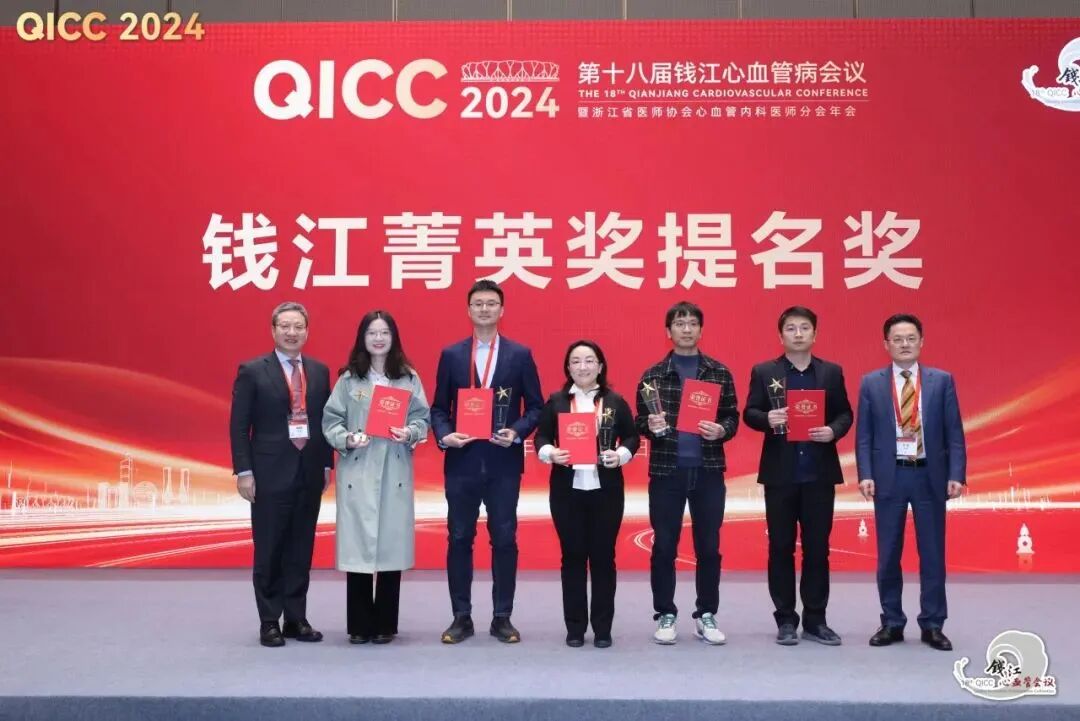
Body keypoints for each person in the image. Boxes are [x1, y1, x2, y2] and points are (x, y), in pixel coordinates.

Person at [430, 280, 544, 644]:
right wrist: (445, 435)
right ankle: (461, 617)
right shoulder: (451, 355)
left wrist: (517, 431)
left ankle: (502, 617)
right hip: (462, 462)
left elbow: (536, 407)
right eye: (478, 303)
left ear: (501, 310)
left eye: (491, 303)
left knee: (505, 539)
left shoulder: (519, 354)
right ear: (468, 310)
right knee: (459, 538)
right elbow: (438, 408)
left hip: (503, 463)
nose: (484, 309)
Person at [856, 313, 967, 651]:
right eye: (897, 339)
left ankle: (933, 624)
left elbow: (954, 432)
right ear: (886, 344)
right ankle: (891, 621)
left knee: (932, 554)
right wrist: (865, 473)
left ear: (921, 342)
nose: (904, 344)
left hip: (929, 475)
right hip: (889, 476)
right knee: (888, 553)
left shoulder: (941, 381)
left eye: (910, 338)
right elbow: (864, 435)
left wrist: (956, 474)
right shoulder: (871, 383)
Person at [743, 306, 853, 646]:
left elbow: (845, 413)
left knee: (818, 550)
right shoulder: (765, 371)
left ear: (815, 334)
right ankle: (786, 620)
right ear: (781, 335)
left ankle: (816, 620)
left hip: (819, 474)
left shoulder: (831, 372)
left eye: (805, 327)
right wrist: (767, 419)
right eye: (791, 328)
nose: (798, 333)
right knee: (780, 548)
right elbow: (749, 412)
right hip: (781, 475)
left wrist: (833, 431)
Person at [322, 310, 430, 645]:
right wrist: (347, 438)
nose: (379, 339)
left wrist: (410, 432)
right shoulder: (349, 379)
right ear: (363, 338)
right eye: (372, 333)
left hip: (395, 468)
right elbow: (331, 420)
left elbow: (422, 418)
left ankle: (385, 623)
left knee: (390, 546)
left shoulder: (408, 378)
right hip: (358, 468)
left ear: (394, 338)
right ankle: (359, 624)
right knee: (357, 547)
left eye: (384, 332)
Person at [229, 301, 333, 648]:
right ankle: (270, 621)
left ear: (307, 331)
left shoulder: (319, 371)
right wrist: (244, 471)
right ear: (273, 330)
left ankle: (296, 618)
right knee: (270, 547)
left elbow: (324, 421)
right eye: (285, 326)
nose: (292, 332)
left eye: (298, 327)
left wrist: (327, 464)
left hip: (309, 471)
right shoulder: (252, 370)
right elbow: (239, 425)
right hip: (268, 473)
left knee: (301, 548)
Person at [635, 301, 738, 645]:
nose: (687, 329)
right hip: (667, 471)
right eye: (680, 324)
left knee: (708, 547)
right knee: (665, 546)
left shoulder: (718, 372)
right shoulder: (652, 375)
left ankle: (706, 614)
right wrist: (649, 426)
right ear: (669, 331)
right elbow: (639, 422)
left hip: (708, 471)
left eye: (693, 323)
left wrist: (721, 430)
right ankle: (665, 613)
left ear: (701, 329)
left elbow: (732, 416)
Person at [534, 340, 640, 648]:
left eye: (589, 360)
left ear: (600, 366)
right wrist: (550, 452)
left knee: (604, 558)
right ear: (568, 368)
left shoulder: (615, 401)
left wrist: (621, 455)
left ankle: (603, 628)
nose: (583, 367)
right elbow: (541, 435)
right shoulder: (556, 401)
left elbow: (632, 436)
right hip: (567, 491)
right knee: (572, 557)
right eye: (576, 361)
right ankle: (575, 627)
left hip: (606, 491)